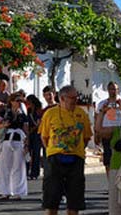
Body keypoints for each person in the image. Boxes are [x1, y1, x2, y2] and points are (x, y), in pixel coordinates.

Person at [39, 85, 93, 215]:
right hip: (55, 160)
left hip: (76, 159)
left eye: (76, 97)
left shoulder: (81, 114)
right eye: (72, 98)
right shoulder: (50, 114)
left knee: (74, 201)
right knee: (52, 200)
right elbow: (44, 137)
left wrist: (76, 148)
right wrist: (53, 151)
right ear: (62, 98)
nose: (75, 100)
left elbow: (86, 138)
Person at [0, 93, 30, 200]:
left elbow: (26, 129)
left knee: (18, 166)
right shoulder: (5, 112)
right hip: (6, 140)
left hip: (19, 140)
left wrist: (27, 144)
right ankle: (5, 191)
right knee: (5, 166)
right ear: (11, 101)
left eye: (20, 101)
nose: (19, 102)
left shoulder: (23, 114)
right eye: (17, 100)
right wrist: (3, 125)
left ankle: (18, 191)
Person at [95, 82, 121, 176]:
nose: (113, 91)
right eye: (111, 89)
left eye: (115, 89)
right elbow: (97, 118)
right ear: (107, 90)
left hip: (120, 134)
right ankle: (110, 182)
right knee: (108, 160)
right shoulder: (102, 104)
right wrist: (97, 134)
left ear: (118, 90)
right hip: (106, 133)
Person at [26, 94, 43, 180]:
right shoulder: (28, 111)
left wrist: (32, 129)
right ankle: (26, 171)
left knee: (36, 153)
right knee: (28, 151)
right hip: (30, 134)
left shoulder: (38, 110)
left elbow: (39, 122)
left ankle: (35, 172)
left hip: (37, 133)